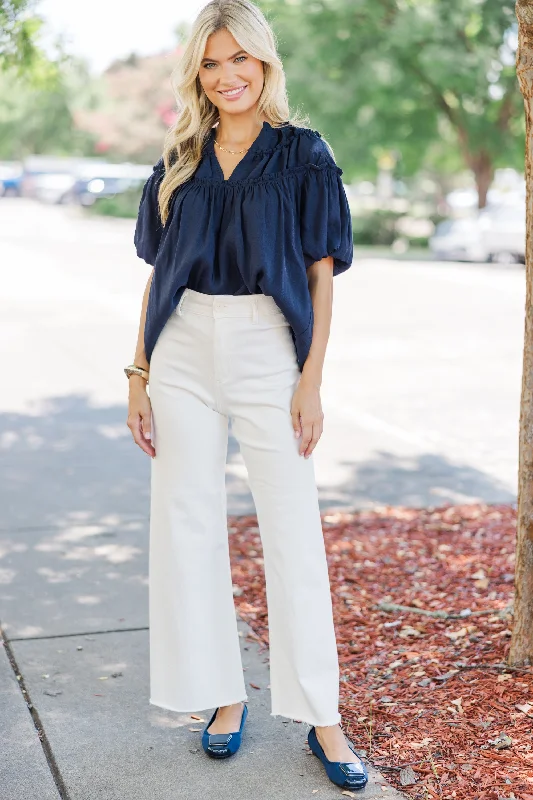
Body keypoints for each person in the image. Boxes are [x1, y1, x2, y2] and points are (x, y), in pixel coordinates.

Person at [125, 0, 367, 791]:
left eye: (240, 59)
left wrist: (311, 378)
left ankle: (321, 717)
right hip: (182, 347)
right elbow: (159, 273)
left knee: (291, 526)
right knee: (185, 524)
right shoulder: (180, 158)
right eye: (211, 62)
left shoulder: (303, 155)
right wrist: (139, 374)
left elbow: (320, 274)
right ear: (196, 71)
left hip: (269, 345)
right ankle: (220, 698)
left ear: (264, 62)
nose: (227, 75)